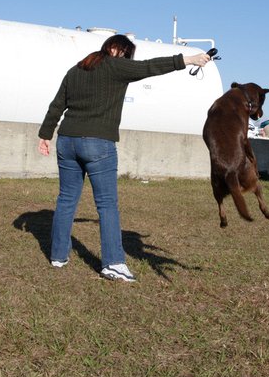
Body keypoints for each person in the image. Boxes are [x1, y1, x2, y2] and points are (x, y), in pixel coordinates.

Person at [38, 34, 210, 282]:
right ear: (117, 49)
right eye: (127, 54)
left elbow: (57, 105)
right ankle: (113, 264)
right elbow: (151, 67)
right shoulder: (115, 65)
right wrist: (190, 59)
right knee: (107, 205)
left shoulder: (75, 70)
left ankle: (58, 256)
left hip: (67, 141)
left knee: (66, 199)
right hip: (98, 144)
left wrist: (45, 134)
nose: (129, 59)